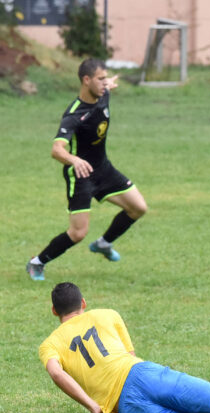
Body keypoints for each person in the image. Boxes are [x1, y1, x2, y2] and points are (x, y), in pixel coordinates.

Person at [39, 282, 210, 413]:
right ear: (83, 302)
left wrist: (93, 407)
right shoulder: (106, 314)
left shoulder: (50, 344)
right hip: (139, 373)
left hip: (126, 407)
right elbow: (130, 354)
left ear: (53, 311)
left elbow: (55, 373)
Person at [26, 58, 148, 281]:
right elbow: (57, 150)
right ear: (86, 80)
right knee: (78, 233)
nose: (104, 84)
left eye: (105, 79)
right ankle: (37, 262)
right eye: (100, 79)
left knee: (138, 207)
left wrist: (108, 82)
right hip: (81, 175)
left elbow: (106, 86)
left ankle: (103, 244)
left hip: (103, 168)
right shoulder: (74, 114)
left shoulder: (103, 94)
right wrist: (74, 160)